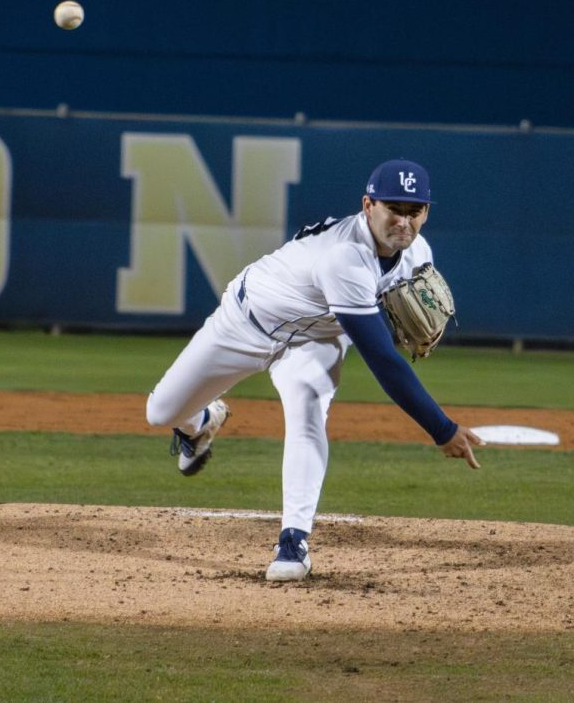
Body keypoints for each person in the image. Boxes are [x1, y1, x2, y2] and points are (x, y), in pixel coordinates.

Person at [145, 159, 483, 582]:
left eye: (414, 211)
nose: (403, 221)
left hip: (315, 340)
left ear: (426, 213)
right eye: (392, 208)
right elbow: (383, 360)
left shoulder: (418, 254)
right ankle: (201, 423)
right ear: (368, 205)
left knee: (307, 415)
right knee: (160, 412)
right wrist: (442, 428)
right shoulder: (345, 257)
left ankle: (293, 542)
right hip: (244, 323)